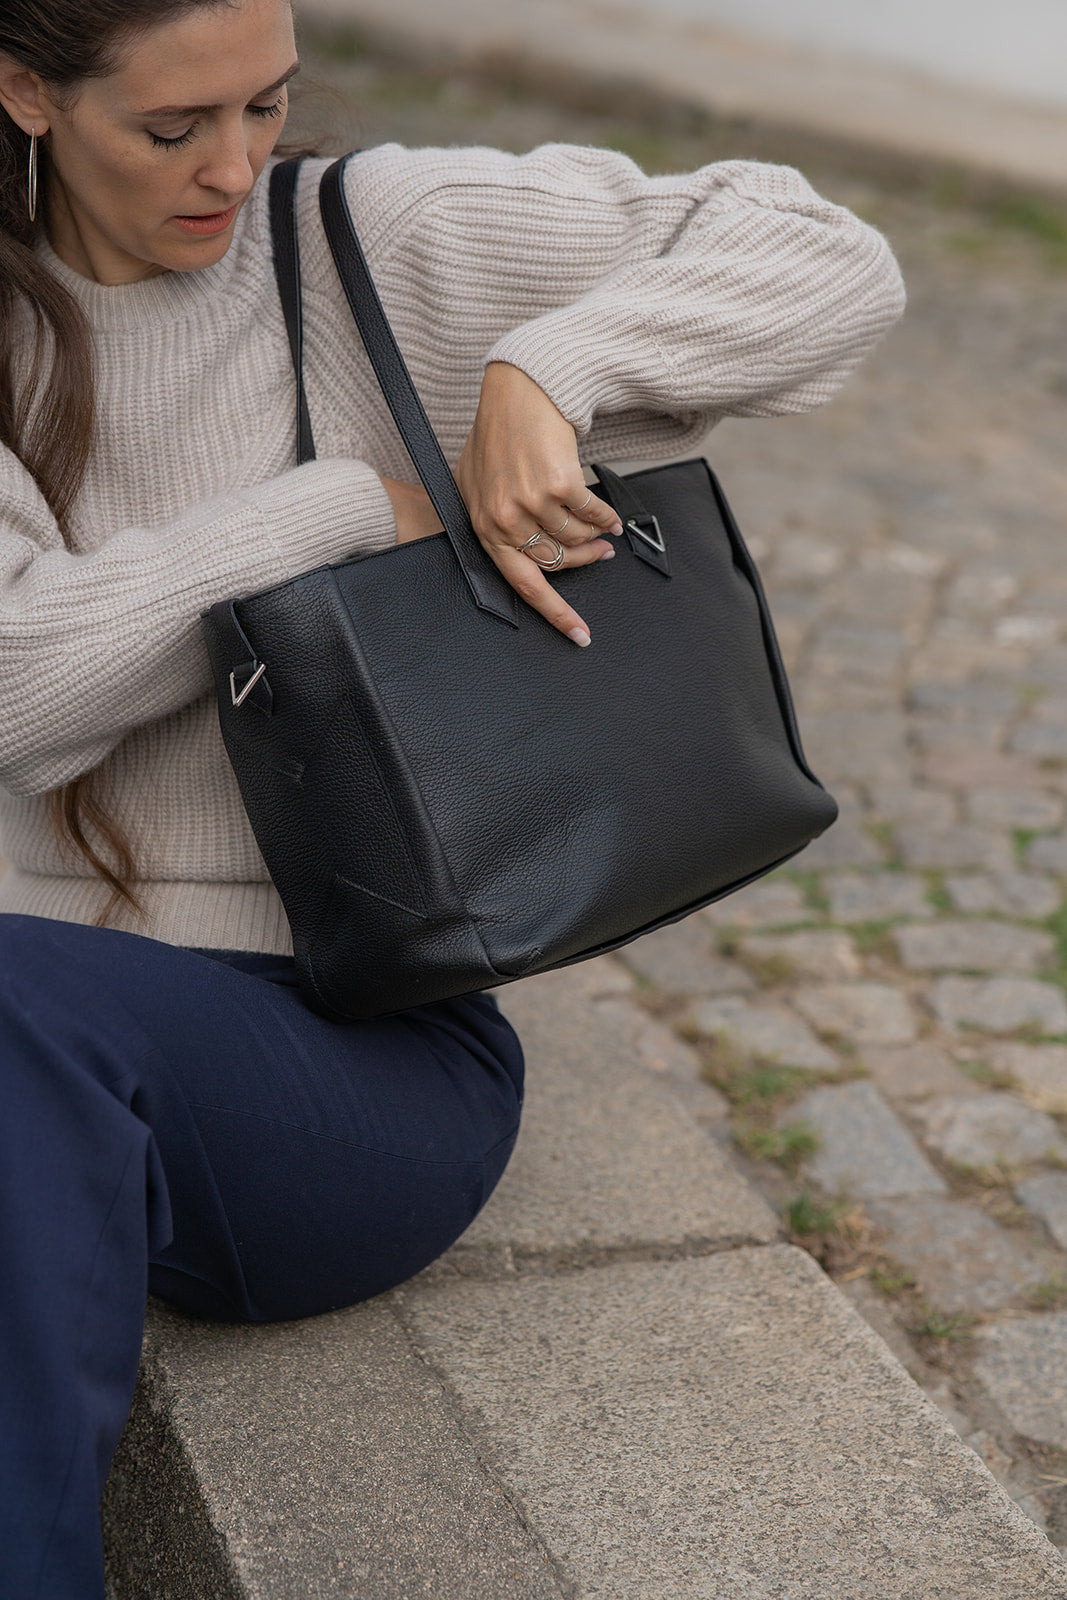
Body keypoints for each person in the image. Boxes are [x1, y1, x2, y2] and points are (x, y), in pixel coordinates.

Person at [0, 0, 905, 1594]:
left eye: (268, 106)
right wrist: (346, 511)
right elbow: (22, 689)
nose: (235, 165)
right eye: (172, 130)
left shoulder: (380, 231)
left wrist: (552, 365)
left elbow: (826, 254)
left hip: (358, 1054)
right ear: (25, 94)